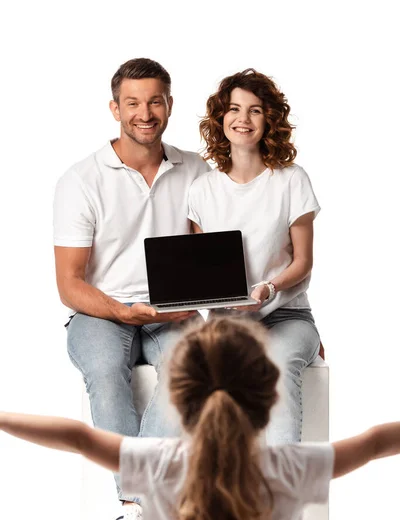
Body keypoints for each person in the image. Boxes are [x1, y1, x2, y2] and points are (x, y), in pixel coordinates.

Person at [1, 315, 400, 520]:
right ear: (266, 401)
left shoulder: (162, 465)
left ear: (178, 399)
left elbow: (78, 437)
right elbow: (375, 442)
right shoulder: (289, 468)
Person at [53, 58, 210, 519]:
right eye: (133, 103)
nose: (145, 113)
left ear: (169, 105)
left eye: (155, 101)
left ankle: (133, 503)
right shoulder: (81, 180)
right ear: (115, 109)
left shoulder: (197, 170)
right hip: (101, 310)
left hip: (175, 309)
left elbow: (211, 258)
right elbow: (69, 283)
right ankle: (141, 500)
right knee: (104, 372)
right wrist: (122, 312)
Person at [188, 68, 321, 445]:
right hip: (227, 320)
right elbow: (203, 268)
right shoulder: (202, 190)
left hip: (286, 316)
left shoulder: (291, 179)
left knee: (277, 365)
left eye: (255, 110)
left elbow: (303, 262)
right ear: (221, 118)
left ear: (270, 120)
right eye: (234, 109)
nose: (243, 119)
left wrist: (268, 287)